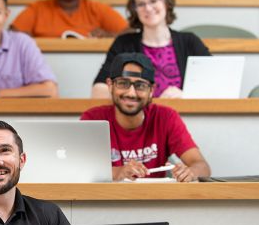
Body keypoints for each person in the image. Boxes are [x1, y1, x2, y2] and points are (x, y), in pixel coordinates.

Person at [81, 53, 211, 182]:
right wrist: (118, 172)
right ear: (110, 85)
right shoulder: (93, 119)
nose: (131, 93)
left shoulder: (166, 117)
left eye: (140, 85)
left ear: (152, 90)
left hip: (155, 199)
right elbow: (79, 169)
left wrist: (190, 172)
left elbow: (202, 166)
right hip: (106, 200)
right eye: (123, 83)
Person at [91, 0, 211, 99]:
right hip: (138, 117)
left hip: (184, 115)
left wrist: (186, 95)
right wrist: (136, 97)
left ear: (165, 1)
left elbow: (216, 84)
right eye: (141, 4)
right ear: (135, 10)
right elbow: (98, 90)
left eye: (153, 1)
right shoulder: (124, 44)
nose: (148, 8)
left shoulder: (190, 42)